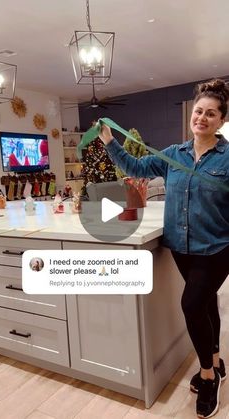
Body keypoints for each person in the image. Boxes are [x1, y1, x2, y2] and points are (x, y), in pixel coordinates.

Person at [99, 78, 229, 419]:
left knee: (190, 304)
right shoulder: (174, 154)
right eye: (198, 111)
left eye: (211, 114)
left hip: (217, 248)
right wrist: (111, 142)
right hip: (181, 246)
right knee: (205, 303)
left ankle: (208, 376)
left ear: (221, 120)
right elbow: (138, 168)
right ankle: (217, 358)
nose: (202, 118)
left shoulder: (228, 157)